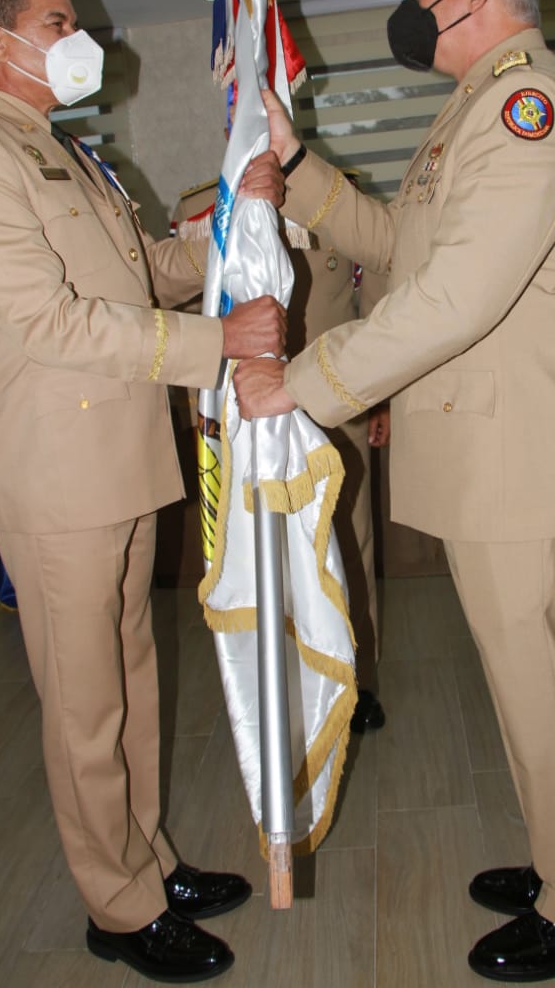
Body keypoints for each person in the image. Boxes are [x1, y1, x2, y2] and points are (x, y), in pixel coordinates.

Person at [233, 0, 555, 982]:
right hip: (496, 460)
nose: (408, 6)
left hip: (523, 461)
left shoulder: (526, 109)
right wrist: (295, 162)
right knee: (527, 684)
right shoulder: (473, 111)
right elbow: (399, 245)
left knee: (546, 687)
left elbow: (456, 298)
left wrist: (306, 386)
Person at [0, 0, 288, 984]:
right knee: (83, 705)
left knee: (128, 680)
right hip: (56, 472)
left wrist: (222, 218)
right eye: (58, 22)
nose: (81, 39)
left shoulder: (67, 154)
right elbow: (47, 320)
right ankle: (115, 906)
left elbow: (134, 276)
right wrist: (218, 340)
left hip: (117, 459)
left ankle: (149, 859)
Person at [175, 176, 388, 732]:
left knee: (348, 541)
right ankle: (271, 681)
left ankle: (355, 679)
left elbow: (375, 305)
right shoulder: (201, 207)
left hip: (333, 402)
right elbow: (185, 309)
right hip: (242, 411)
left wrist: (382, 400)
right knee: (251, 548)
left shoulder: (339, 194)